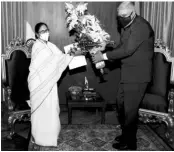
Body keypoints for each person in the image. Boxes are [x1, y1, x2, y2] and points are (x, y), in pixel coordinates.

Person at [92, 2, 154, 150]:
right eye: (119, 17)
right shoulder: (127, 25)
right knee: (121, 106)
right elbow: (121, 46)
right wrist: (105, 48)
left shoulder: (141, 26)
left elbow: (127, 50)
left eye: (124, 16)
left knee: (130, 111)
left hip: (138, 77)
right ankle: (126, 134)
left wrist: (104, 56)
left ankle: (131, 144)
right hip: (127, 74)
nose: (121, 19)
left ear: (133, 13)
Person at [27, 22, 81, 147]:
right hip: (39, 84)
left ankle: (51, 136)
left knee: (51, 109)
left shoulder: (50, 45)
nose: (45, 33)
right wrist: (70, 55)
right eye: (42, 31)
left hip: (49, 82)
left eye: (46, 30)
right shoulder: (37, 46)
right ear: (36, 34)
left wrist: (71, 53)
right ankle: (39, 137)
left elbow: (60, 57)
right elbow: (52, 62)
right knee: (42, 110)